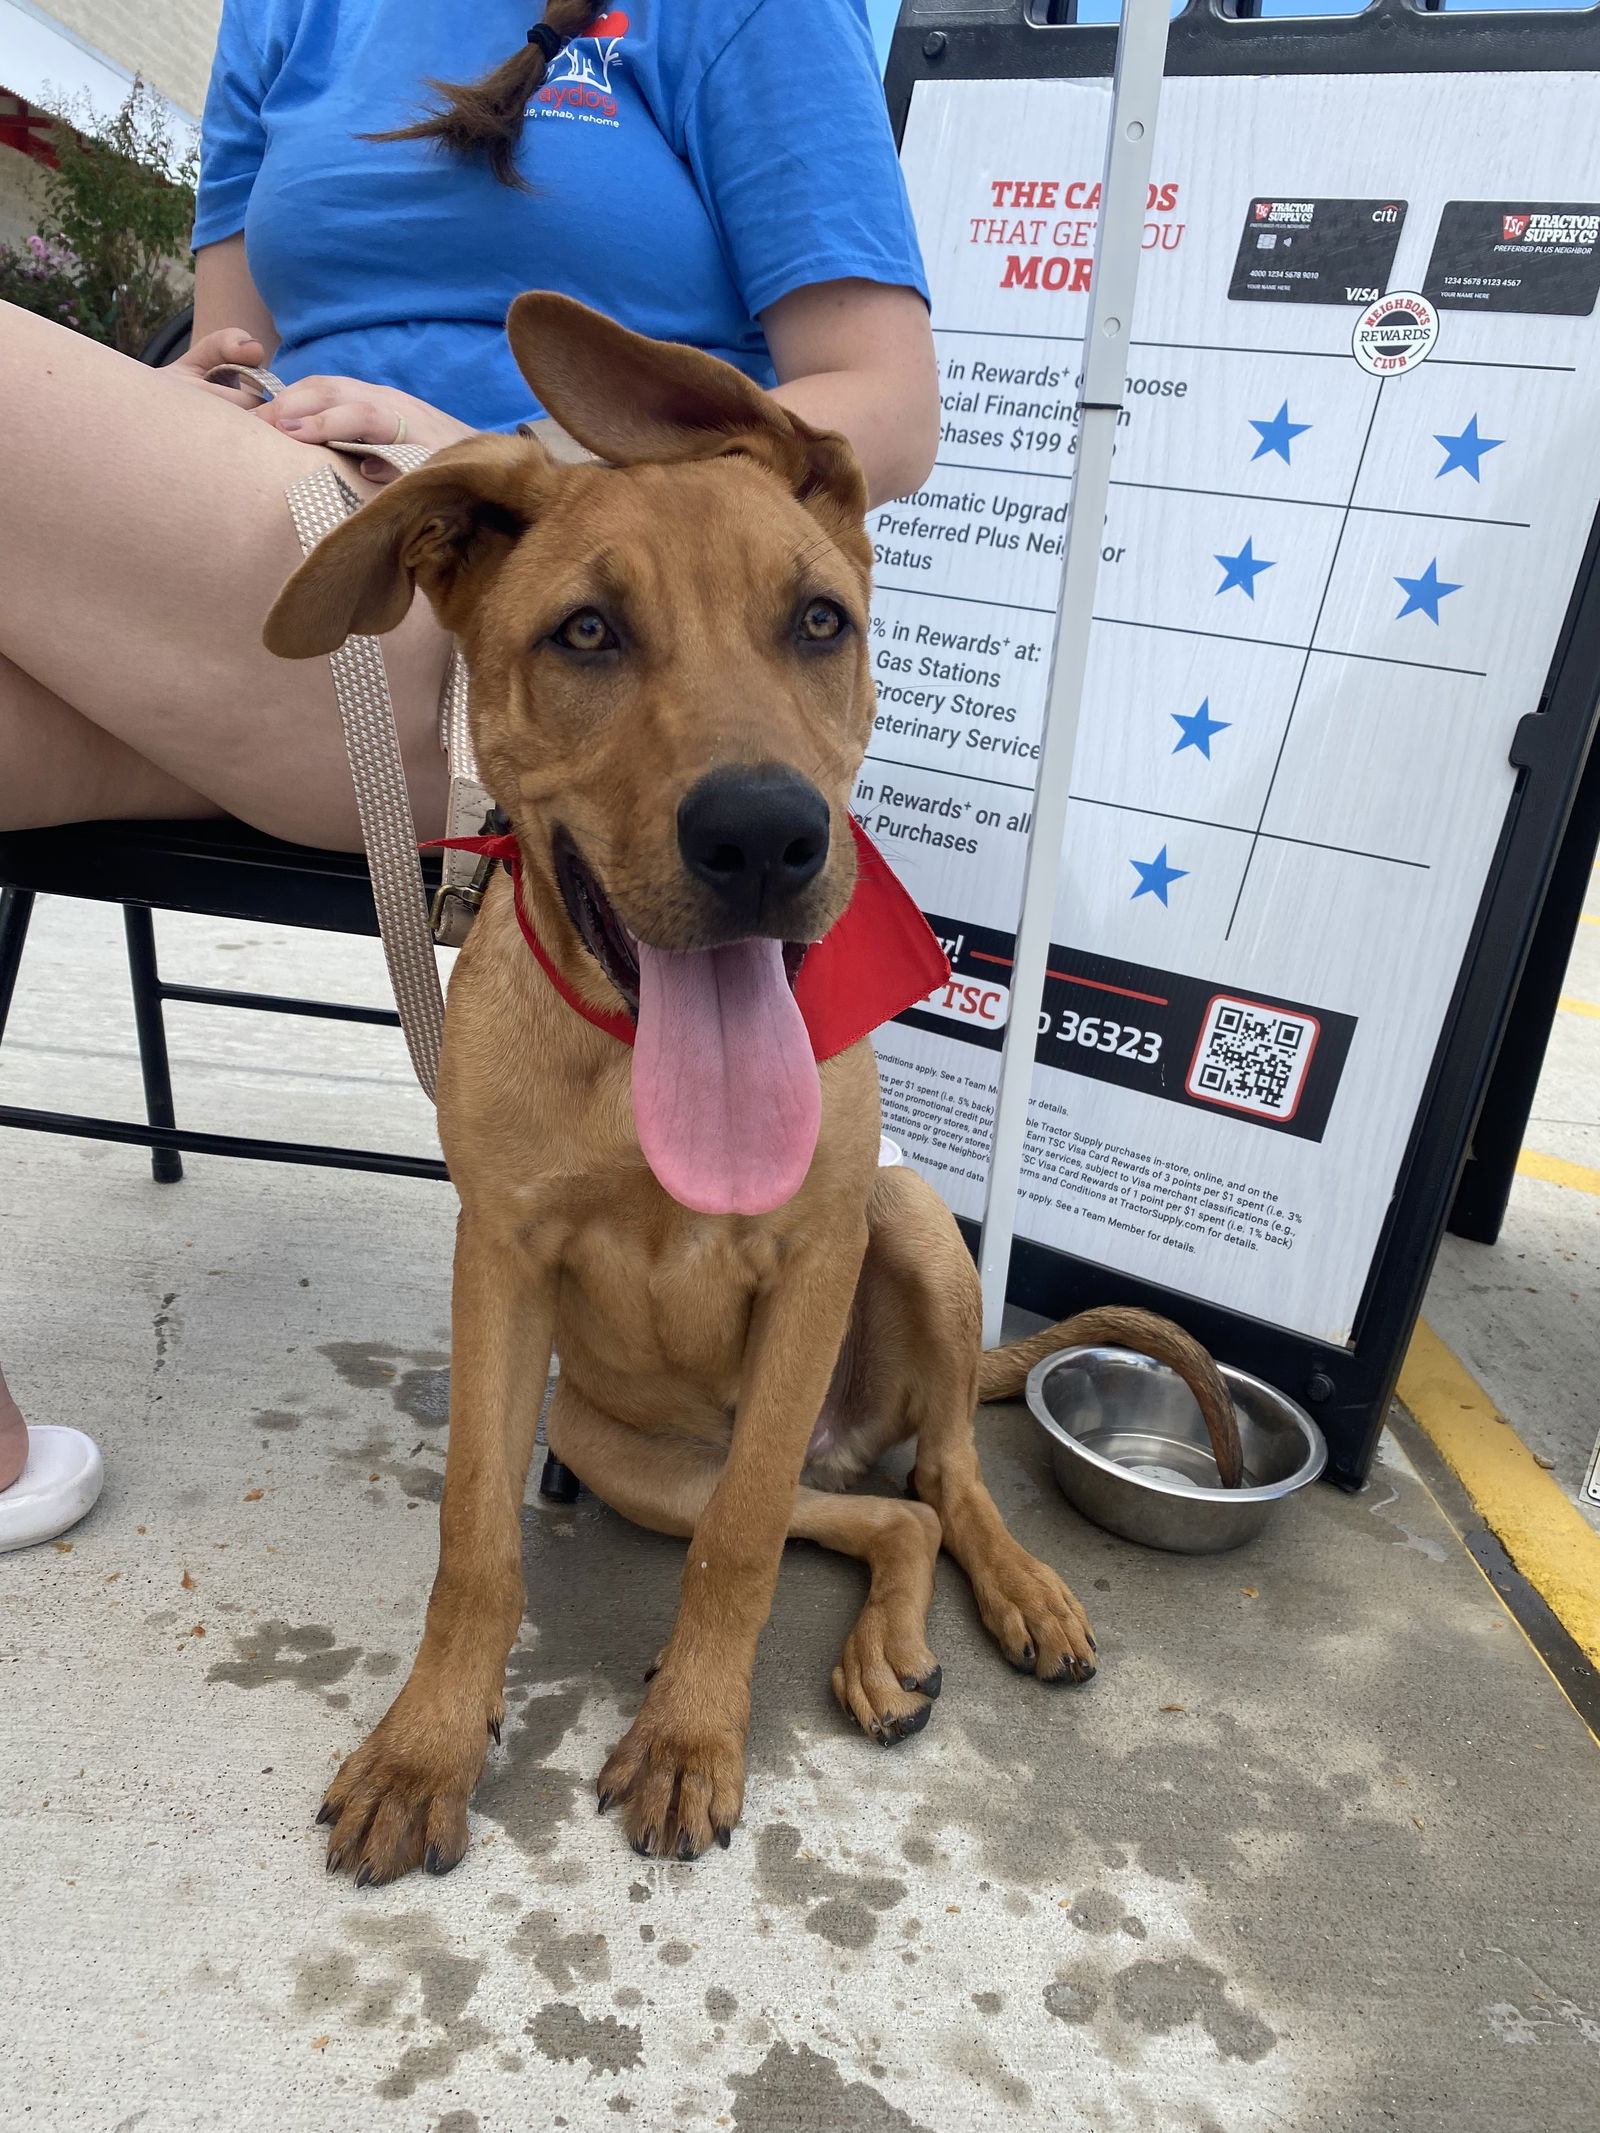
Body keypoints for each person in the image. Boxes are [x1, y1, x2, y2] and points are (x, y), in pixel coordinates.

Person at [0, 0, 939, 1535]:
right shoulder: (288, 12)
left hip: (500, 614)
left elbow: (886, 405)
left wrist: (515, 466)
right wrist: (196, 393)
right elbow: (243, 328)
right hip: (237, 595)